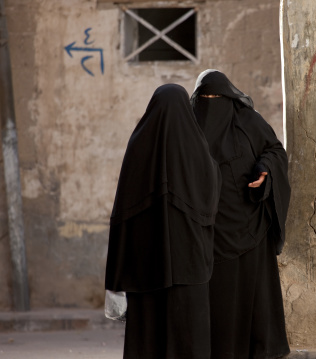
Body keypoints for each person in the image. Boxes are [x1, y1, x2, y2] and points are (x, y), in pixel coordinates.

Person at [105, 84, 221, 359]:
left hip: (144, 268)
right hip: (189, 266)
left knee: (148, 339)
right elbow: (211, 198)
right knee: (188, 340)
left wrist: (116, 277)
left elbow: (122, 214)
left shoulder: (138, 145)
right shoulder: (197, 150)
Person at [191, 69, 291, 359]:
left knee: (253, 304)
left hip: (250, 230)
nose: (211, 103)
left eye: (217, 97)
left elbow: (274, 151)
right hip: (205, 233)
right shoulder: (187, 126)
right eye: (205, 98)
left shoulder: (248, 121)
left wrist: (264, 172)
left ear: (229, 97)